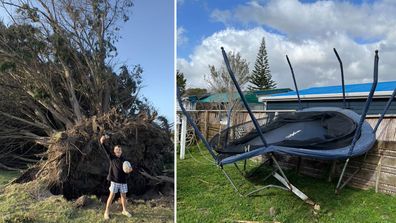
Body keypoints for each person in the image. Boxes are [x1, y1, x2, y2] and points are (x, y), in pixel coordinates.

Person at [100, 135, 133, 220]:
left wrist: (130, 170)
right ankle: (106, 212)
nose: (118, 151)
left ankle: (124, 210)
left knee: (123, 196)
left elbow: (128, 169)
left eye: (119, 150)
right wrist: (102, 142)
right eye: (116, 150)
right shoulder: (112, 158)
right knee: (111, 196)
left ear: (121, 151)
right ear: (114, 151)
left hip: (123, 181)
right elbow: (106, 150)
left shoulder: (125, 160)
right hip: (114, 181)